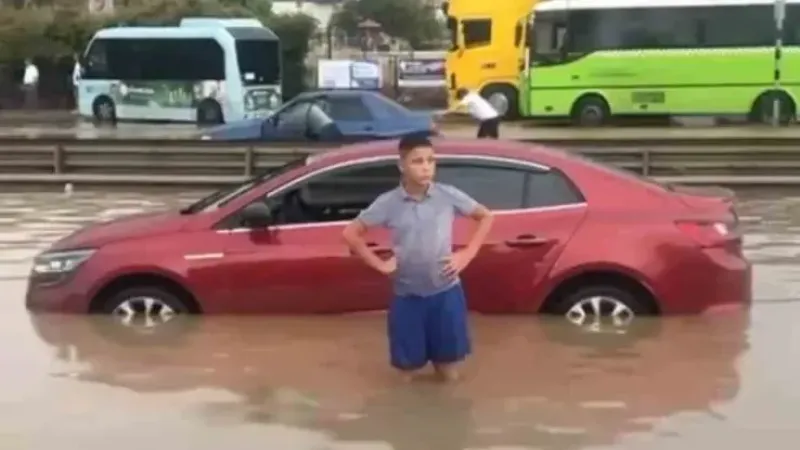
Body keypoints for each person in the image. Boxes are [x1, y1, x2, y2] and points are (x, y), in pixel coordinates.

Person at [342, 134, 494, 382]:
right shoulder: (388, 203)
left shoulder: (448, 195)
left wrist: (467, 253)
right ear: (401, 165)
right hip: (407, 297)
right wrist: (381, 265)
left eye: (430, 161)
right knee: (406, 373)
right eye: (417, 161)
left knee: (447, 370)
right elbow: (350, 233)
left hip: (446, 293)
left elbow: (486, 217)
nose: (426, 167)